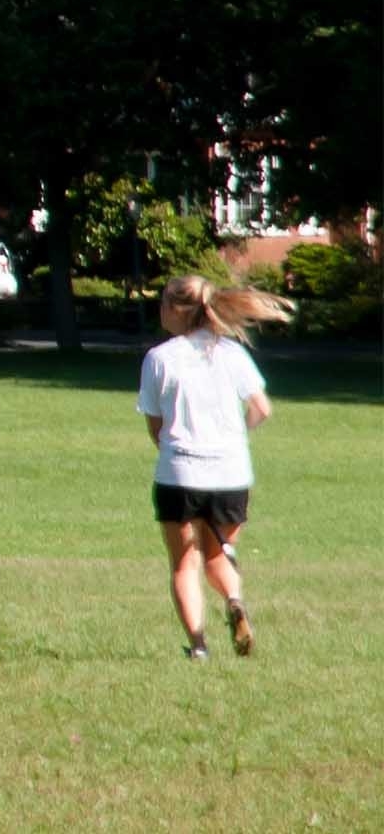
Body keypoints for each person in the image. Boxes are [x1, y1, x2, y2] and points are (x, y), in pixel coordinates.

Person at [138, 275, 291, 660]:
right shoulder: (232, 354)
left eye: (163, 302)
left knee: (184, 563)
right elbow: (261, 408)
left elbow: (156, 428)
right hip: (231, 473)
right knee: (217, 554)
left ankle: (198, 646)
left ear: (177, 310)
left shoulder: (160, 358)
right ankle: (234, 599)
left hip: (180, 472)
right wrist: (235, 437)